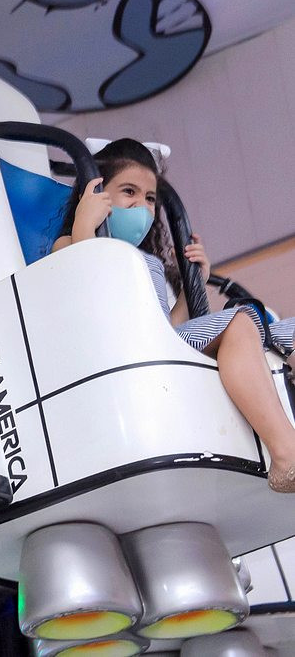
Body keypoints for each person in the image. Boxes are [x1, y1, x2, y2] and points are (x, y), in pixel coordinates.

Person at [54, 138, 295, 492]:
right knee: (239, 321)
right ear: (96, 194)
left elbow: (168, 329)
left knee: (278, 329)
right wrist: (85, 225)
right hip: (126, 356)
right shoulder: (70, 245)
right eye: (129, 192)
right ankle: (286, 454)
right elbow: (91, 292)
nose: (142, 207)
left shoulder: (148, 262)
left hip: (157, 345)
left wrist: (190, 284)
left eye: (150, 199)